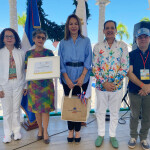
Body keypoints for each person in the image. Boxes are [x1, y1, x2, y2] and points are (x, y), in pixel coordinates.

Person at [93, 20, 129, 148]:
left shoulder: (122, 46)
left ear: (115, 31)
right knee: (100, 112)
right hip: (101, 87)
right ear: (103, 31)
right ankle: (101, 134)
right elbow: (95, 67)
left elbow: (125, 67)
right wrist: (104, 83)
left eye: (112, 28)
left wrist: (113, 83)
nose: (109, 30)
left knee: (115, 112)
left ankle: (113, 135)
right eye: (107, 28)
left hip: (116, 87)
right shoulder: (97, 47)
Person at [58, 14, 92, 143]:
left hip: (82, 76)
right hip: (67, 76)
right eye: (71, 24)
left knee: (79, 104)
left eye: (75, 23)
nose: (73, 26)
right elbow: (60, 60)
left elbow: (89, 59)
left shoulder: (86, 40)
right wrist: (66, 77)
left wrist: (82, 76)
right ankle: (70, 130)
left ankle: (77, 131)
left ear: (79, 26)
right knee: (69, 103)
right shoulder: (62, 42)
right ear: (68, 26)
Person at [24, 29, 55, 144]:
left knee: (46, 110)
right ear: (33, 39)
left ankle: (46, 132)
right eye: (38, 37)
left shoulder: (49, 53)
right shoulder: (28, 54)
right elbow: (26, 70)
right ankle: (40, 130)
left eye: (43, 38)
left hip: (47, 86)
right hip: (34, 86)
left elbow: (54, 69)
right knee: (37, 110)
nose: (40, 39)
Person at [0, 28, 26, 143]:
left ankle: (16, 131)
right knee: (7, 111)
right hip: (4, 85)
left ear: (15, 39)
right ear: (3, 39)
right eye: (7, 36)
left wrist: (25, 86)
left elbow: (24, 71)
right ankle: (7, 133)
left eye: (12, 36)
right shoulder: (0, 53)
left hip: (18, 84)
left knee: (16, 109)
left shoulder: (21, 53)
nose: (9, 38)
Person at [127, 28, 150, 150]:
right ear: (136, 40)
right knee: (134, 115)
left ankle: (144, 137)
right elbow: (129, 73)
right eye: (140, 37)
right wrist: (143, 86)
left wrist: (148, 87)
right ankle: (133, 136)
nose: (143, 39)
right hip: (135, 91)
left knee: (147, 116)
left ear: (149, 38)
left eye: (145, 37)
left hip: (149, 91)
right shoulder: (131, 54)